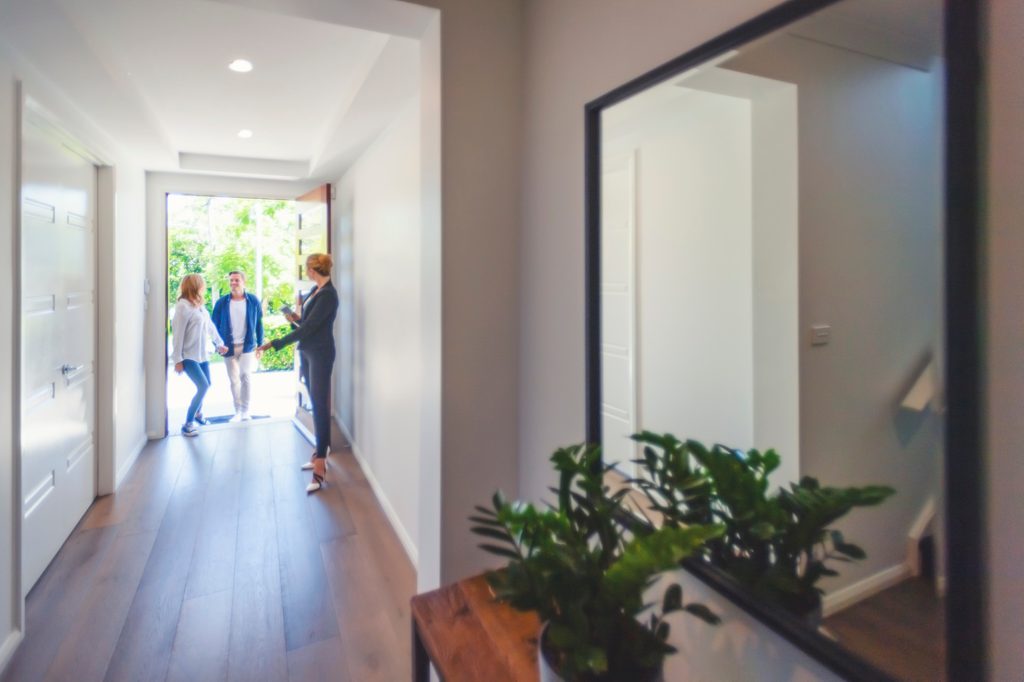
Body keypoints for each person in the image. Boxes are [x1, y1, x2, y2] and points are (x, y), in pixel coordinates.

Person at [258, 253, 338, 493]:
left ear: (314, 270)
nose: (306, 273)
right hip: (309, 352)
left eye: (307, 269)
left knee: (321, 407)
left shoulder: (328, 295)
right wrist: (294, 317)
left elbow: (309, 329)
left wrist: (275, 343)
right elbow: (306, 325)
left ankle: (321, 465)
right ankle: (319, 452)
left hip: (320, 354)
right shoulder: (316, 292)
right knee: (315, 404)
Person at [171, 274, 227, 437]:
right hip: (188, 356)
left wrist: (219, 343)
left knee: (207, 384)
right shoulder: (183, 307)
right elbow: (177, 335)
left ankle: (198, 414)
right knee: (202, 386)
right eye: (202, 284)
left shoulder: (200, 306)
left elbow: (210, 326)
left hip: (202, 355)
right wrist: (178, 360)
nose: (204, 287)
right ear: (195, 286)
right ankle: (188, 423)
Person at [211, 270, 264, 422]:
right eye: (231, 280)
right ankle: (238, 411)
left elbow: (259, 323)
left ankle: (246, 410)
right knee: (234, 380)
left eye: (236, 280)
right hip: (228, 346)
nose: (233, 283)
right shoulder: (222, 302)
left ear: (243, 282)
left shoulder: (253, 300)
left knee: (245, 376)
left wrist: (260, 345)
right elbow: (213, 325)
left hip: (247, 345)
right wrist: (217, 345)